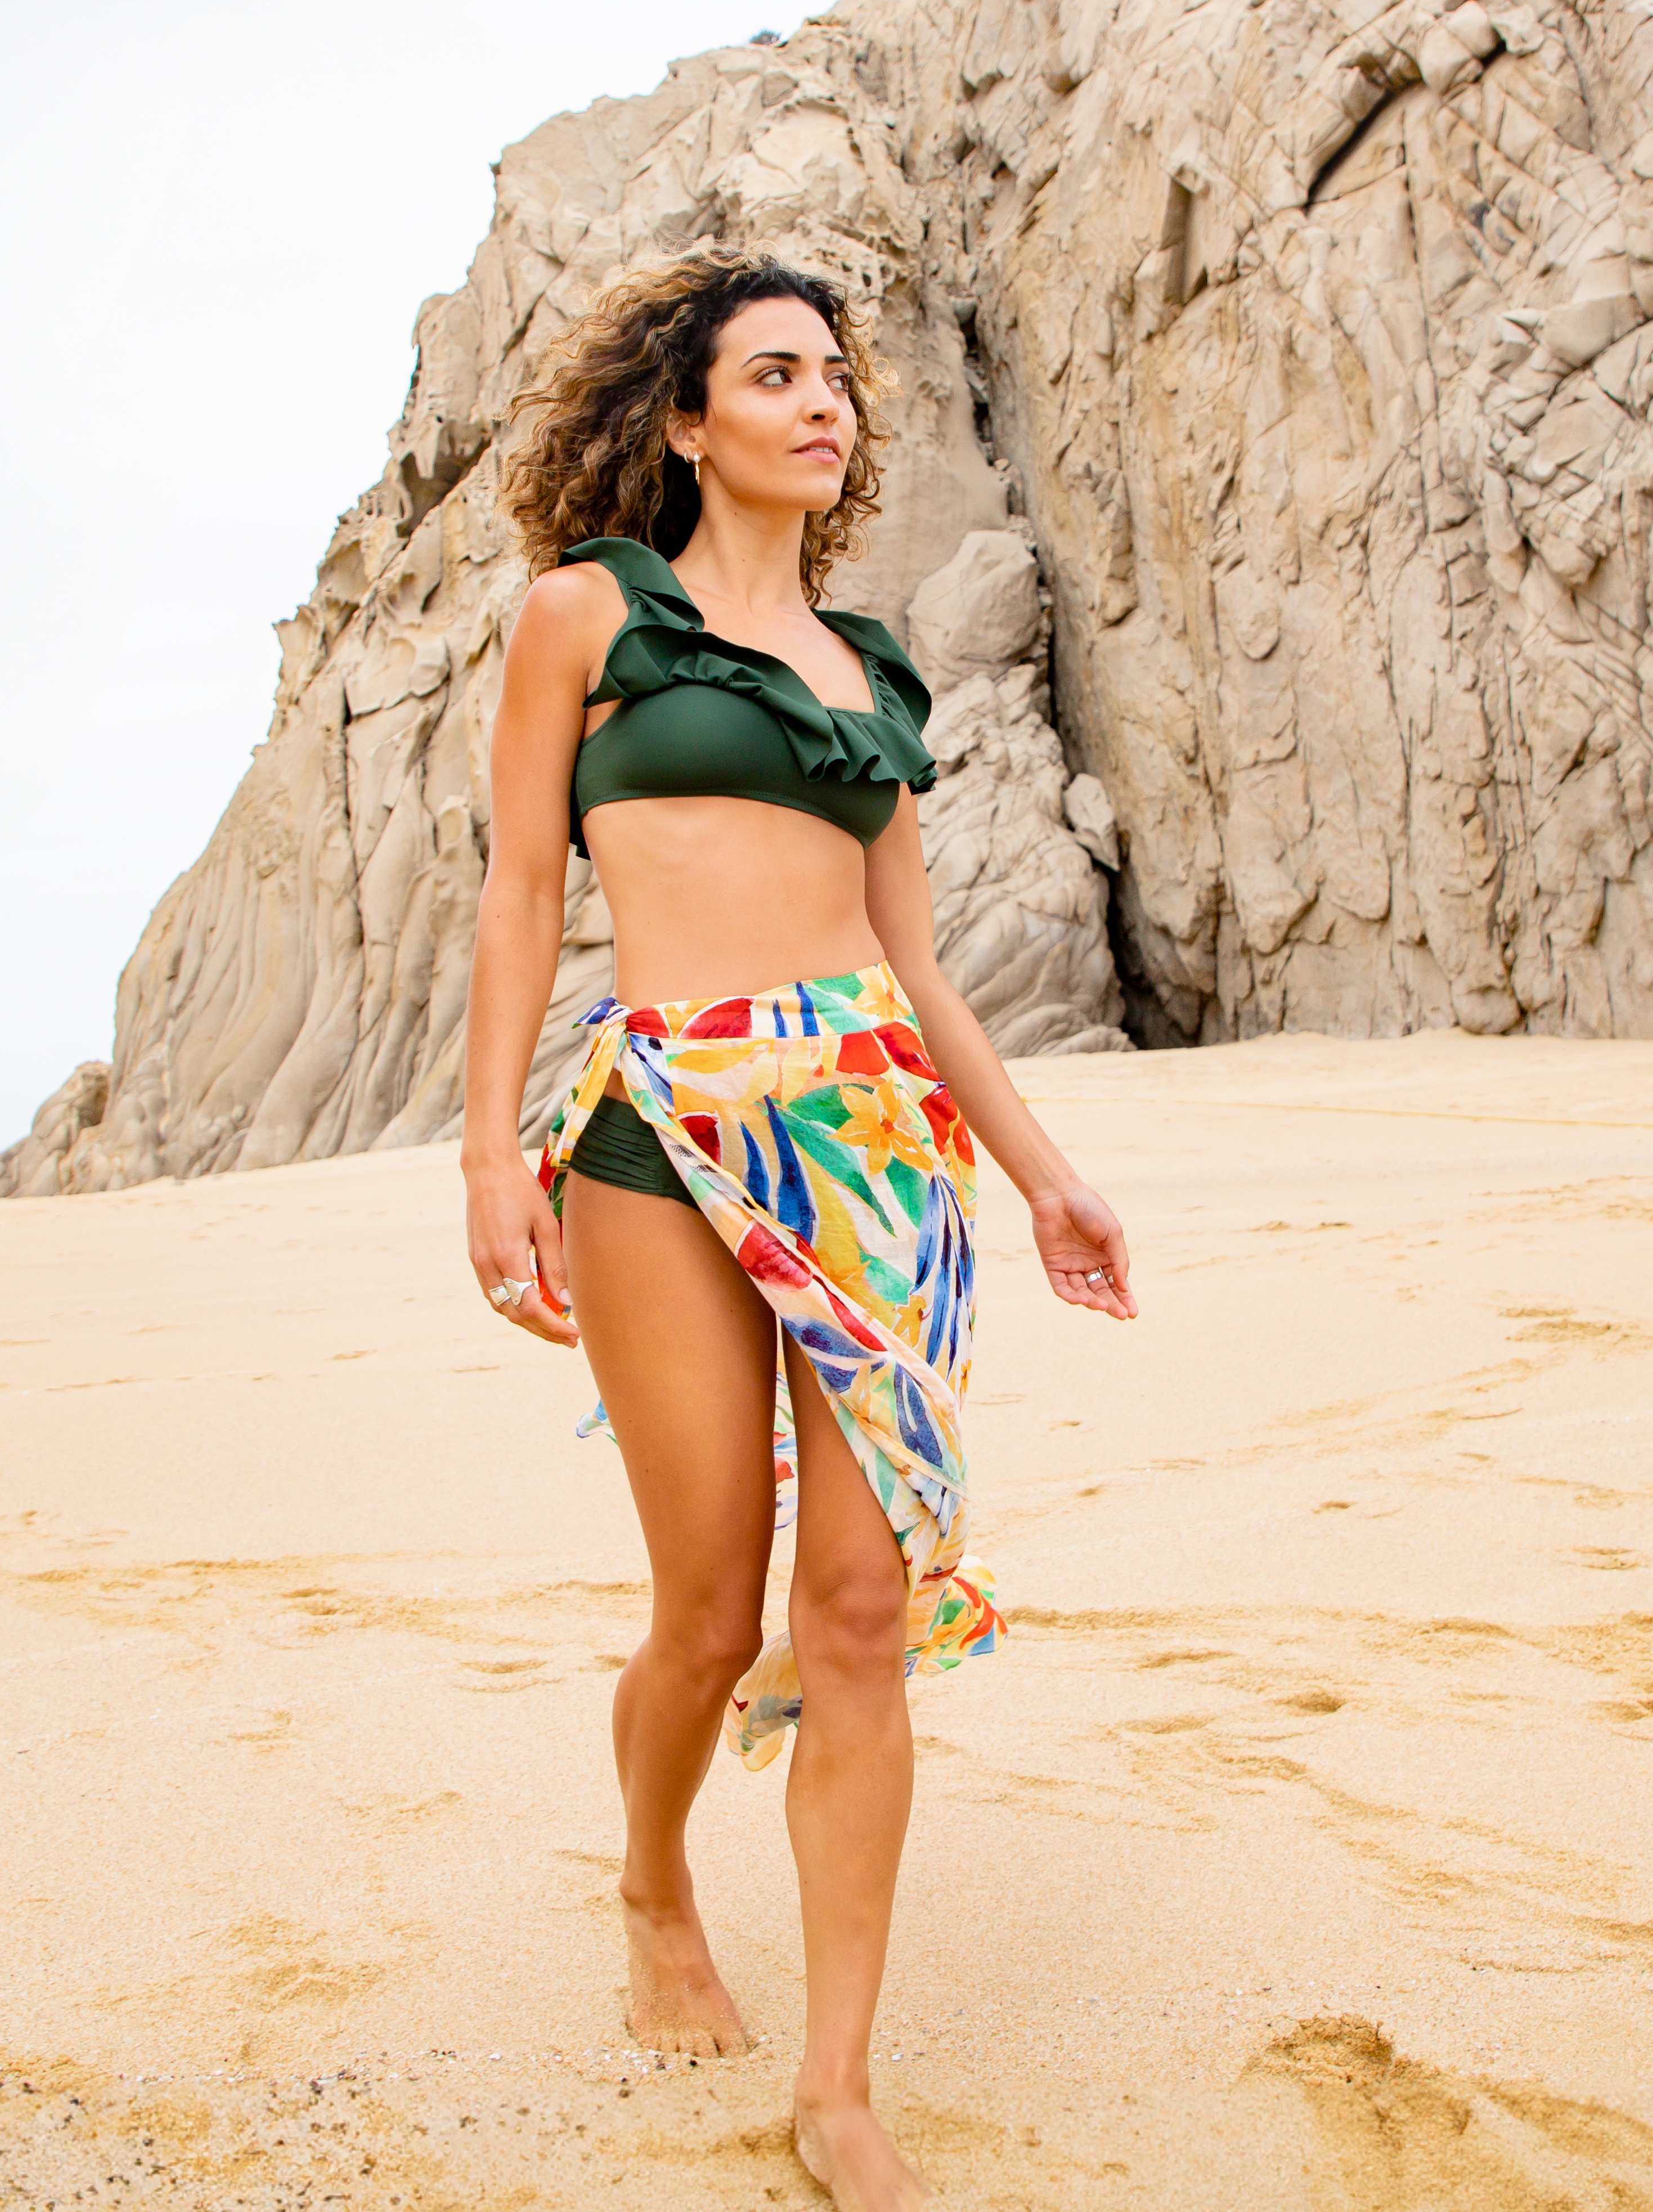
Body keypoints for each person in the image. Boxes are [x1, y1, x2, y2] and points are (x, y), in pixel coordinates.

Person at [458, 248, 1139, 2212]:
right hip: (659, 1134)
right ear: (688, 421)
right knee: (707, 1607)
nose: (821, 400)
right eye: (773, 374)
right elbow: (521, 895)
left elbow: (914, 963)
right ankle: (654, 1881)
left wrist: (1044, 1172)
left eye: (834, 375)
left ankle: (838, 2088)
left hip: (878, 1144)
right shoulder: (589, 615)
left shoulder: (875, 671)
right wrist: (490, 1155)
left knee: (857, 1611)